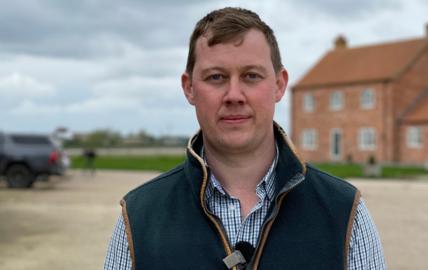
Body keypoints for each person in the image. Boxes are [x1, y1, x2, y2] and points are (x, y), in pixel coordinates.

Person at [104, 7, 386, 270]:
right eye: (216, 77)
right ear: (189, 88)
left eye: (251, 76)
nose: (234, 95)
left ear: (279, 85)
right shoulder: (139, 217)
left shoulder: (346, 213)